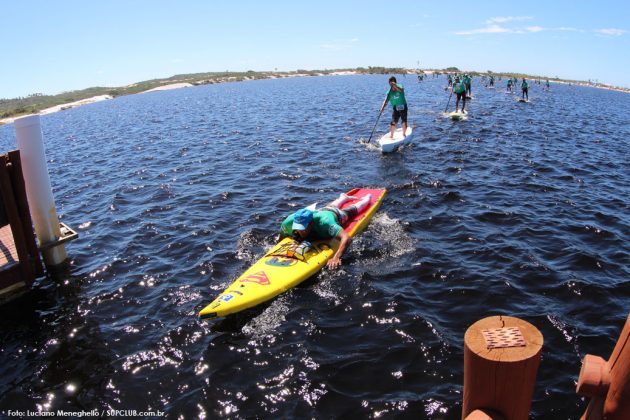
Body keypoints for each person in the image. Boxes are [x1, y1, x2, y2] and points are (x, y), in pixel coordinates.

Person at [279, 193, 372, 269]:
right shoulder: (288, 222)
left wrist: (336, 257)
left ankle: (367, 198)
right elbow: (281, 236)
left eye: (303, 228)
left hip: (335, 215)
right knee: (330, 206)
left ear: (311, 224)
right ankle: (343, 197)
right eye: (297, 228)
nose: (299, 231)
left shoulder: (325, 223)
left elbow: (346, 238)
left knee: (350, 210)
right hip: (320, 211)